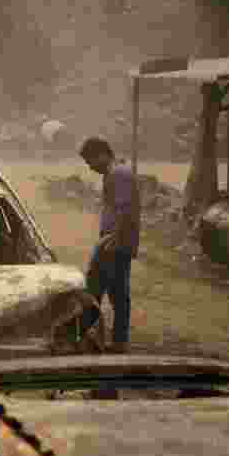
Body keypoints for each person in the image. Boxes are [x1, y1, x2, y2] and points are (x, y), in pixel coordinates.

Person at [78, 137, 140, 352]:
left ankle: (90, 337)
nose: (90, 167)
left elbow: (125, 209)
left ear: (102, 154)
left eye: (90, 161)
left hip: (114, 243)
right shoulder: (115, 173)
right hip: (114, 241)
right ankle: (112, 339)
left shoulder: (118, 174)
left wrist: (115, 237)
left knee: (95, 289)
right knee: (115, 292)